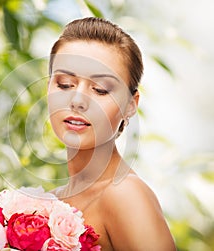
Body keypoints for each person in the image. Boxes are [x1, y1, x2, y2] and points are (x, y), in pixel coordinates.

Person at [47, 17, 176, 250]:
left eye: (101, 89)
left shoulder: (126, 194)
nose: (78, 101)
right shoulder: (48, 201)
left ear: (131, 104)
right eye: (65, 84)